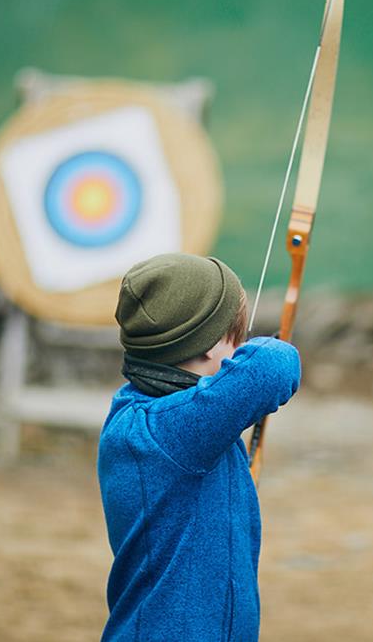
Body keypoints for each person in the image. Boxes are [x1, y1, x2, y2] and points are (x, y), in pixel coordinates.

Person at [98, 253, 301, 642]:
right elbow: (275, 364)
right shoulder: (170, 431)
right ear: (211, 344)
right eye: (235, 338)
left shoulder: (146, 412)